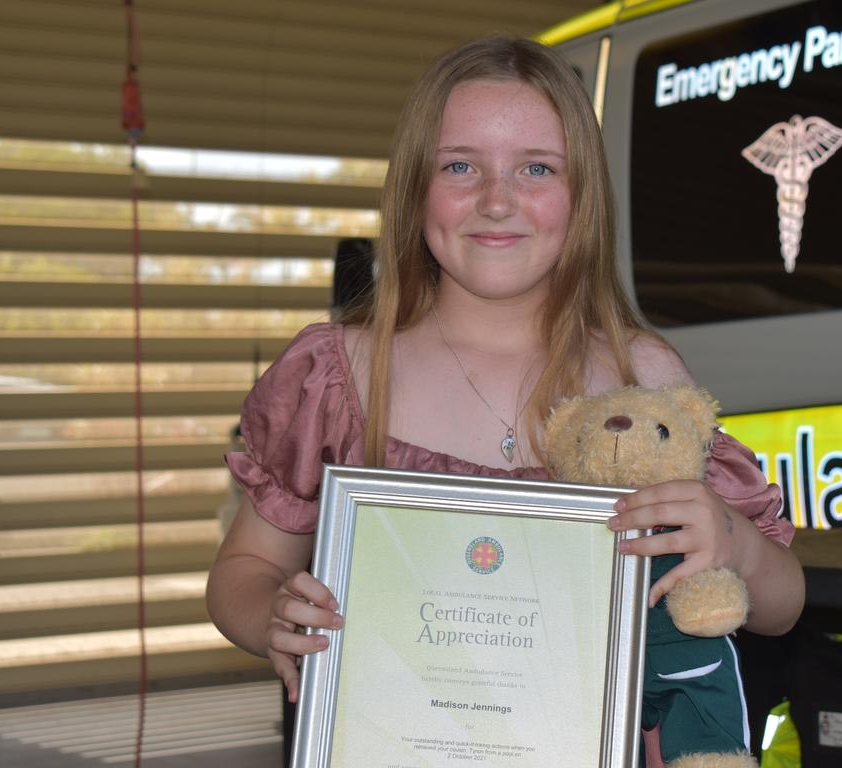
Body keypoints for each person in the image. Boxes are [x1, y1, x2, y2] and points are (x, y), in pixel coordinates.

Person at [206, 36, 805, 766]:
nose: (496, 199)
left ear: (582, 192)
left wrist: (732, 541)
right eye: (459, 166)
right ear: (413, 190)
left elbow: (783, 607)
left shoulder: (641, 375)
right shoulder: (341, 371)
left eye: (536, 168)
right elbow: (240, 572)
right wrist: (272, 613)